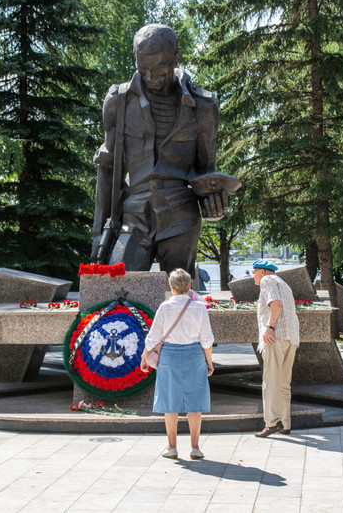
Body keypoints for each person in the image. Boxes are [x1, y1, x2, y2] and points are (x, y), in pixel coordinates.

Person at [90, 24, 240, 274]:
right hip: (133, 219)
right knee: (117, 293)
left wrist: (215, 202)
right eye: (143, 69)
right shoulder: (118, 101)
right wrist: (98, 235)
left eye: (158, 70)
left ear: (176, 59)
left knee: (181, 300)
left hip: (180, 218)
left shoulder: (203, 106)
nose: (150, 78)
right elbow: (108, 170)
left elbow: (206, 172)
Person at [140, 268, 214, 459]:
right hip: (194, 354)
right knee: (195, 402)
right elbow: (207, 339)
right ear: (189, 287)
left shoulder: (165, 307)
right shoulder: (199, 308)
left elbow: (153, 337)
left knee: (170, 403)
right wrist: (209, 362)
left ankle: (172, 447)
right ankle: (195, 447)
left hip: (170, 356)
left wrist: (144, 357)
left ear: (171, 288)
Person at [251, 259, 300, 437]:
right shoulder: (283, 283)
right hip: (291, 337)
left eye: (254, 272)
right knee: (283, 383)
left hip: (275, 337)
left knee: (270, 381)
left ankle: (272, 423)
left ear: (263, 272)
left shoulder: (267, 281)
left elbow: (276, 303)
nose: (252, 276)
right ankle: (285, 423)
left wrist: (269, 327)